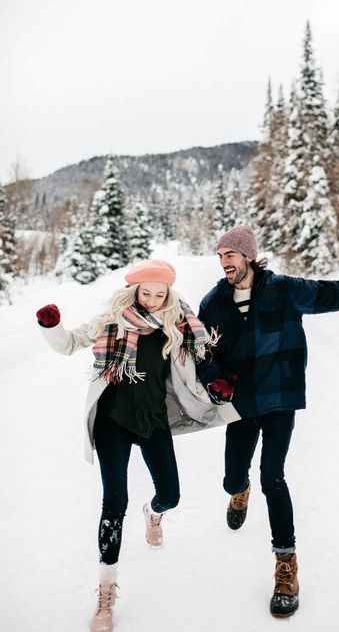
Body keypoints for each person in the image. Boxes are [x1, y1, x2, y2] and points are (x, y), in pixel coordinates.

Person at [197, 224, 339, 618]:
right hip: (240, 404)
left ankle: (286, 565)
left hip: (280, 397)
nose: (224, 263)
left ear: (248, 255)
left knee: (273, 475)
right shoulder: (214, 302)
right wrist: (211, 377)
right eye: (219, 256)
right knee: (232, 477)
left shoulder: (284, 290)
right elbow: (201, 351)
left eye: (229, 255)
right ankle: (239, 490)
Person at [36, 258, 239, 632]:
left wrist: (215, 384)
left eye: (160, 294)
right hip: (113, 422)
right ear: (134, 290)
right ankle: (105, 595)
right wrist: (52, 324)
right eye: (146, 292)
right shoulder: (111, 320)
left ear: (169, 294)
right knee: (114, 502)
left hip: (152, 421)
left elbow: (203, 358)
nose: (152, 299)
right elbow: (68, 344)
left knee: (171, 495)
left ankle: (154, 511)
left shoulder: (177, 325)